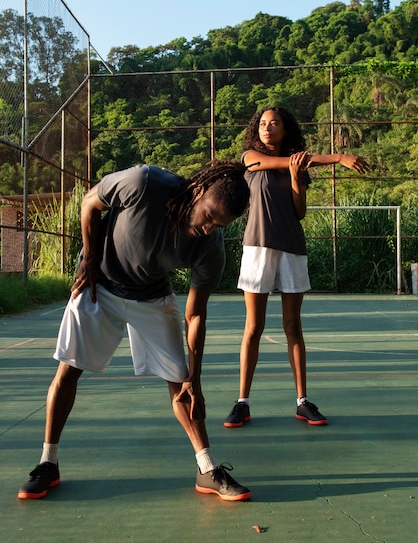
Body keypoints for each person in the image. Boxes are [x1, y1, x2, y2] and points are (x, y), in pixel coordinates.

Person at [18, 160, 252, 502]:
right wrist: (90, 260)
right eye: (208, 216)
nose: (209, 228)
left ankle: (207, 469)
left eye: (219, 224)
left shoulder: (211, 247)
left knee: (180, 386)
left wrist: (194, 378)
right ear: (199, 192)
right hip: (102, 283)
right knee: (68, 371)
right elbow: (89, 204)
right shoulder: (144, 183)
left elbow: (196, 314)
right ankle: (47, 463)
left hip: (152, 297)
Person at [223, 106, 370, 428]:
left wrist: (294, 177)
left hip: (292, 248)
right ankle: (242, 402)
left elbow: (300, 211)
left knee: (293, 327)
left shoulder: (298, 165)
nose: (267, 127)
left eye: (274, 123)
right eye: (262, 123)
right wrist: (338, 157)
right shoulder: (250, 158)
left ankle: (303, 401)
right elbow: (281, 161)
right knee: (253, 328)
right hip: (258, 248)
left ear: (285, 129)